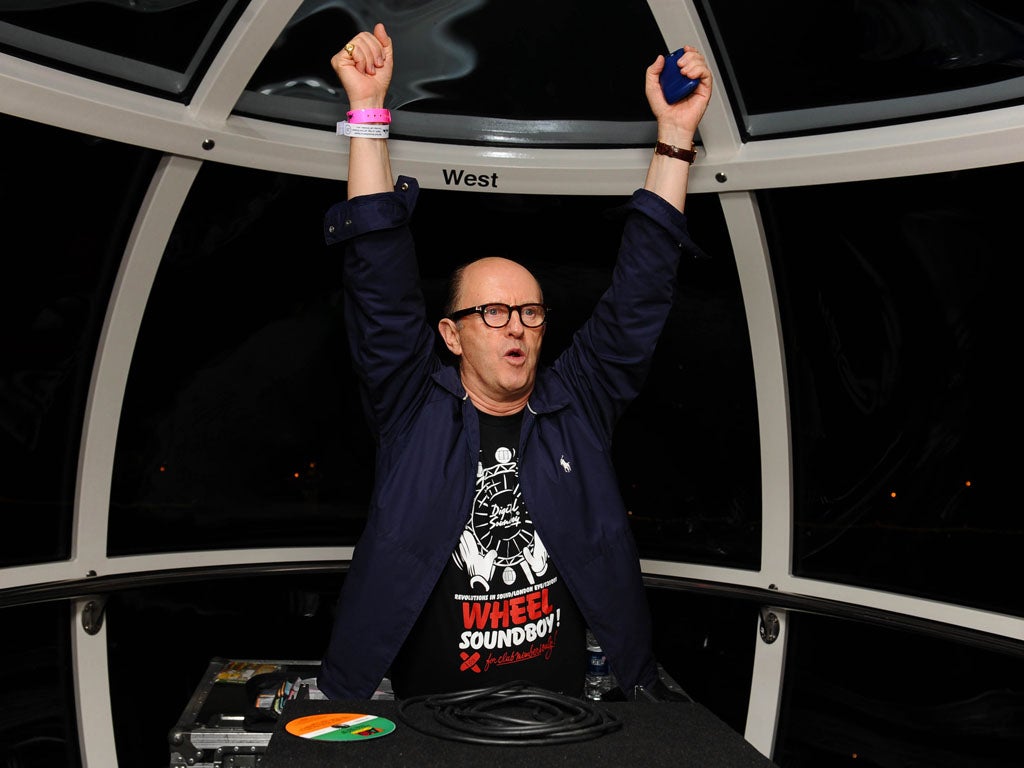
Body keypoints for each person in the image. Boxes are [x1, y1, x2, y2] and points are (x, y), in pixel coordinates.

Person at [318, 22, 712, 702]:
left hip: (564, 725)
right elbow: (378, 279)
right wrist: (369, 114)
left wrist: (675, 138)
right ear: (450, 334)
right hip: (430, 731)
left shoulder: (575, 407)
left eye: (530, 312)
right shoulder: (413, 410)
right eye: (492, 312)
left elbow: (638, 298)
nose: (518, 327)